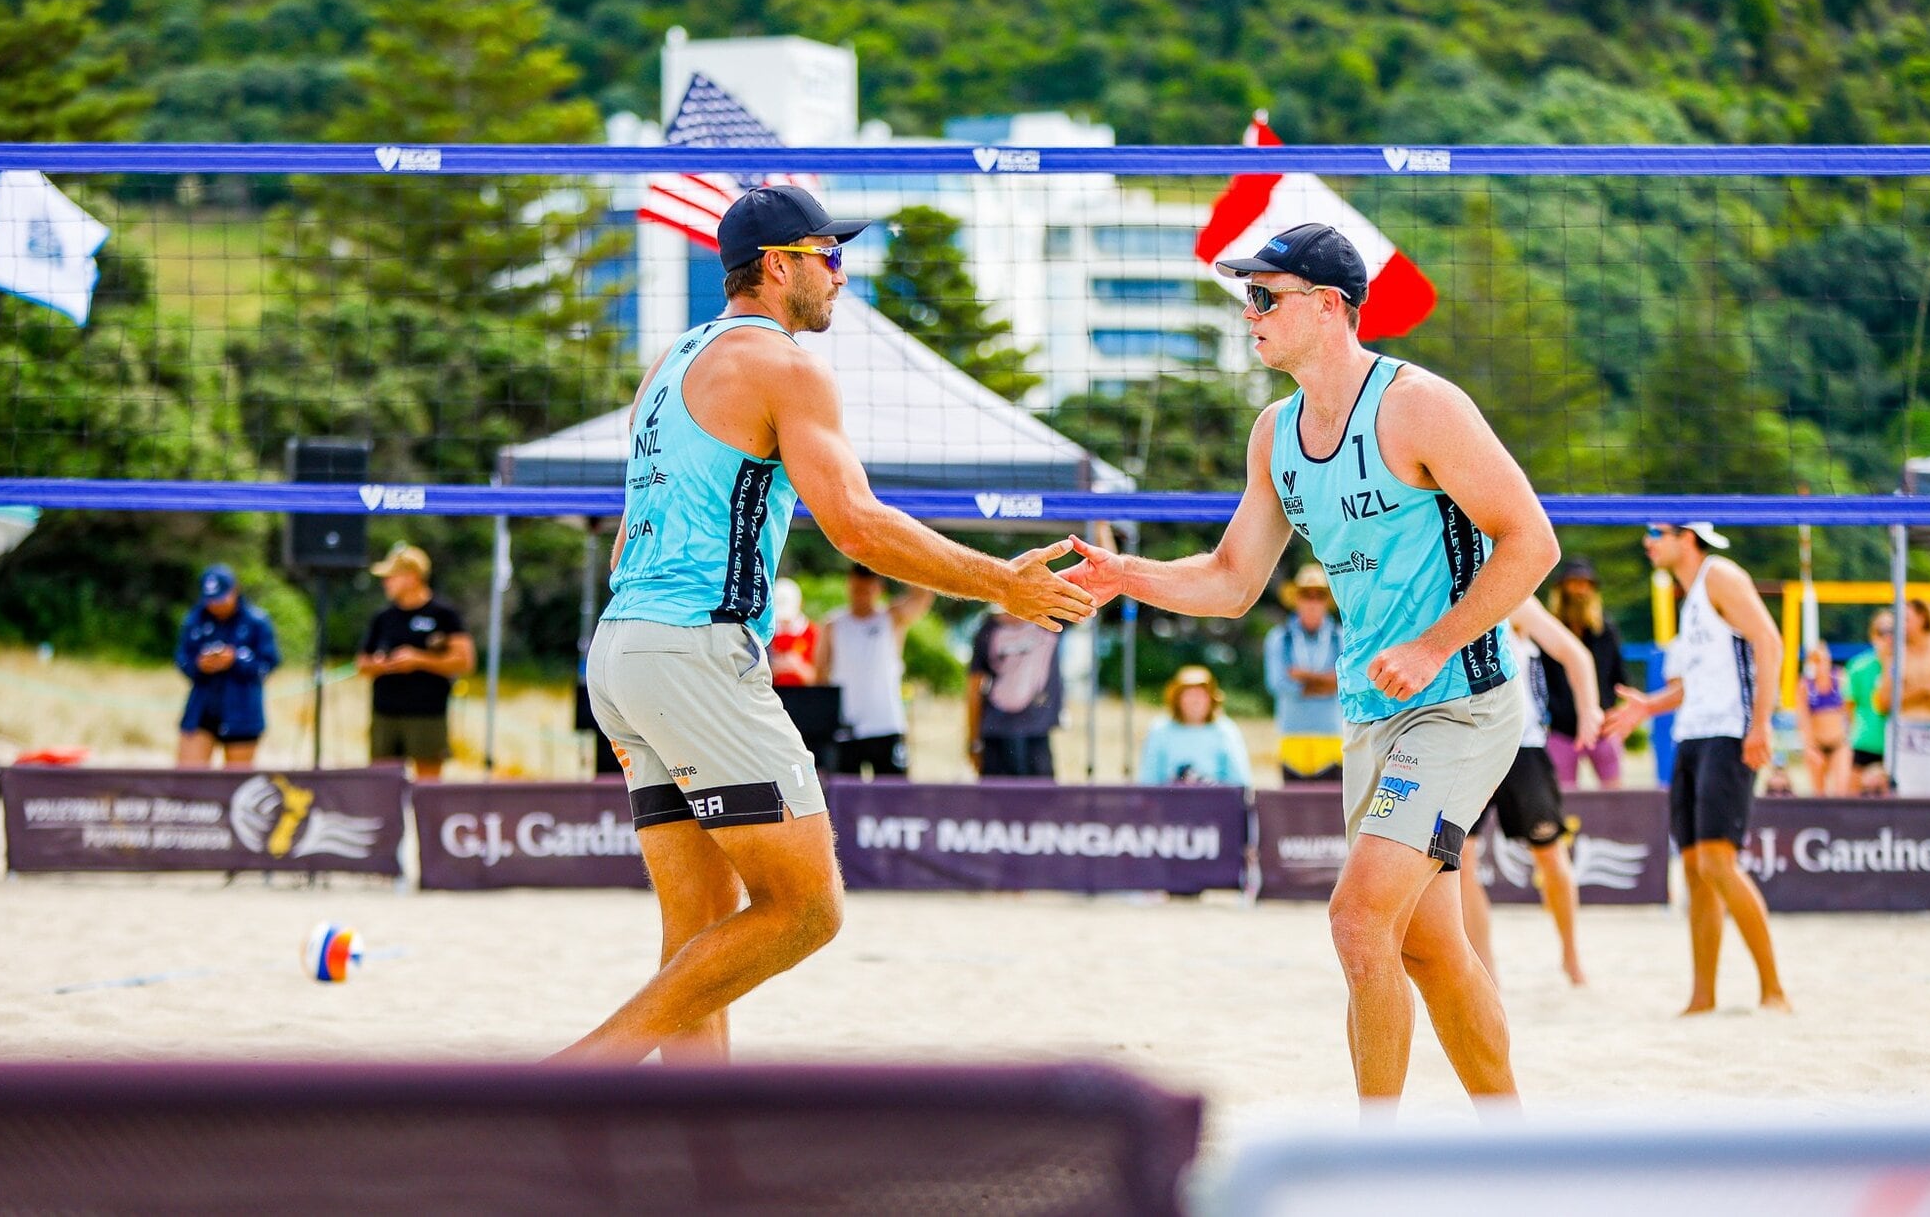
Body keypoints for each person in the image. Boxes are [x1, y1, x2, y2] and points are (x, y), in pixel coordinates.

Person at [562, 186, 1092, 1063]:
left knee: (701, 930)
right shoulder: (785, 366)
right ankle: (577, 1078)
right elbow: (856, 524)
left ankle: (704, 1160)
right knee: (808, 909)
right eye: (829, 255)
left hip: (622, 645)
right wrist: (1003, 581)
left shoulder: (667, 366)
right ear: (778, 267)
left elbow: (628, 530)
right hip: (693, 645)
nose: (843, 275)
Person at [1063, 223, 1558, 1108]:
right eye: (1245, 294)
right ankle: (1512, 1135)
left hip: (1464, 697)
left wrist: (1435, 640)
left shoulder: (1419, 406)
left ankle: (1368, 1163)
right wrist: (1124, 575)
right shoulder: (1275, 434)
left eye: (1265, 295)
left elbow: (1533, 543)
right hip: (1374, 706)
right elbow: (1229, 580)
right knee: (1428, 947)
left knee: (1358, 918)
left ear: (1331, 306)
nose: (1248, 312)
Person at [1604, 522, 1789, 1014]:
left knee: (1716, 863)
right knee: (1693, 871)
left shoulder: (1721, 575)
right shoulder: (1689, 600)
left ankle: (1774, 990)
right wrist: (1649, 705)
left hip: (1730, 736)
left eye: (1656, 531)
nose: (1647, 541)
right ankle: (1702, 996)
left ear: (1688, 537)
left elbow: (1770, 643)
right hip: (1692, 735)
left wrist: (1761, 725)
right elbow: (1693, 686)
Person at [1459, 597, 1601, 988]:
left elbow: (1575, 654)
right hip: (1466, 743)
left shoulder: (1510, 589)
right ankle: (1485, 968)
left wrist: (1589, 709)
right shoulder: (1438, 580)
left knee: (1551, 856)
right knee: (1460, 862)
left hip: (1523, 745)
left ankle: (1571, 957)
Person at [355, 543, 475, 782]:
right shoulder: (383, 617)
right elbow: (361, 663)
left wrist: (419, 660)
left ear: (412, 577)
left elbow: (465, 661)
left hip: (426, 713)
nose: (385, 582)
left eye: (391, 577)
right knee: (382, 784)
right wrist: (380, 665)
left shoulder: (443, 614)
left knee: (427, 788)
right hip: (386, 712)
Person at [816, 565, 933, 778]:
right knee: (845, 799)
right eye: (856, 590)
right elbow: (820, 675)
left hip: (886, 724)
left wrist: (892, 560)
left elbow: (923, 596)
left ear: (878, 588)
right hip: (848, 726)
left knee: (894, 798)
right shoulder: (833, 624)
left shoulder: (891, 617)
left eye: (867, 590)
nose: (861, 596)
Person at [175, 564, 279, 769]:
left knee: (236, 784)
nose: (216, 605)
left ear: (235, 591)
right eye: (211, 600)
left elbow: (268, 663)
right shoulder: (195, 620)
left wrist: (235, 660)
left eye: (221, 598)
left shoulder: (256, 621)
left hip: (242, 711)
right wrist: (200, 665)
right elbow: (182, 659)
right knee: (187, 779)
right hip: (202, 709)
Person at [1540, 556, 1627, 789]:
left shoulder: (1605, 630)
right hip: (1561, 727)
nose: (1580, 589)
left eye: (1585, 583)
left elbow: (1619, 676)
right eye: (1574, 582)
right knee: (1565, 797)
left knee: (1614, 795)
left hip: (1602, 727)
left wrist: (1617, 714)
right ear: (1562, 587)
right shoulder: (1549, 630)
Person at [1263, 562, 1344, 780]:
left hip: (1333, 736)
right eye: (1306, 595)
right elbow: (1277, 683)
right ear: (1296, 599)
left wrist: (1303, 677)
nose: (1312, 602)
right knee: (1293, 809)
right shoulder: (1280, 637)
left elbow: (1348, 682)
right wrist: (1327, 683)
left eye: (1319, 596)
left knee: (1333, 810)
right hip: (1292, 736)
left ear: (1327, 601)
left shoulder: (1340, 637)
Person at [1874, 598, 1930, 798]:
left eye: (1906, 618)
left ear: (1922, 617)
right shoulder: (1892, 653)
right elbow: (1884, 702)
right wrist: (1925, 690)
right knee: (1901, 791)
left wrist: (1909, 692)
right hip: (1902, 732)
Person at [967, 608, 1064, 778]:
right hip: (997, 733)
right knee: (998, 800)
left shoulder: (1051, 619)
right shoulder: (989, 629)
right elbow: (974, 687)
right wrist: (973, 740)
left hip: (1036, 733)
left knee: (1042, 800)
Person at [1137, 664, 1254, 787]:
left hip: (1214, 803)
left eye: (1201, 694)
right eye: (1189, 694)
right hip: (1169, 803)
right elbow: (1148, 782)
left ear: (1211, 698)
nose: (1195, 700)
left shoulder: (1225, 730)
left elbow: (1240, 783)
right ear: (1177, 699)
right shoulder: (1160, 730)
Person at [1842, 611, 1894, 795]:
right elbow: (1849, 707)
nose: (1889, 637)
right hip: (1867, 739)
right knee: (1854, 796)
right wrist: (1847, 740)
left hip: (1899, 741)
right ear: (1873, 635)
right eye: (1883, 631)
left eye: (1894, 631)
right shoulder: (1859, 667)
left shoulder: (1909, 665)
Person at [1794, 638, 1852, 796]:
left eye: (1822, 659)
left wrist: (1849, 737)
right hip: (1817, 744)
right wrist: (1809, 747)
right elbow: (1803, 719)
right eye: (1815, 660)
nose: (1819, 664)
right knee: (1819, 794)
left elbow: (1850, 711)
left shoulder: (1840, 679)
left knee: (1842, 789)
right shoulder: (1805, 686)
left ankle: (1840, 820)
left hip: (1838, 743)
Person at [768, 578, 819, 686]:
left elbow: (820, 677)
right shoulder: (766, 633)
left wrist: (797, 666)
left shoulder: (812, 632)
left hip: (805, 697)